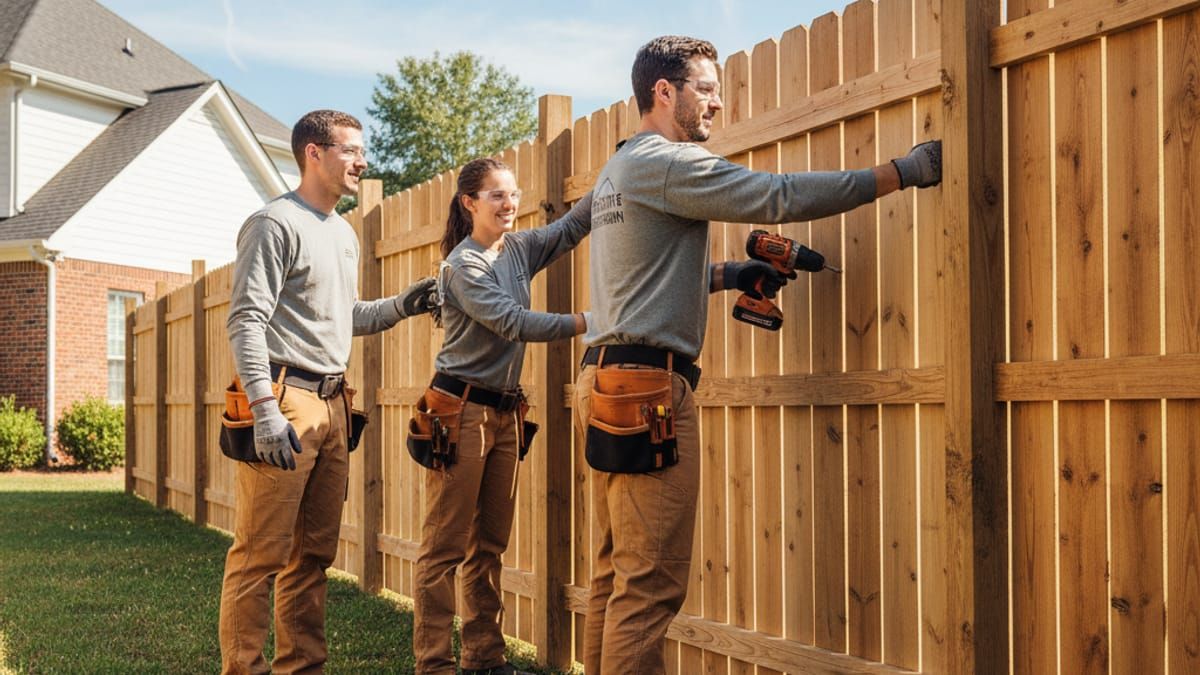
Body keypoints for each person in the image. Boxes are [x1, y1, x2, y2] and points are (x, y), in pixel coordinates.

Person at [574, 35, 943, 674]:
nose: (719, 103)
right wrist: (901, 172)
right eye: (707, 89)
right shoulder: (667, 161)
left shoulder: (620, 167)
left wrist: (729, 275)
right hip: (648, 394)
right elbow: (779, 196)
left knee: (615, 572)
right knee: (650, 583)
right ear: (665, 91)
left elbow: (642, 279)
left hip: (608, 379)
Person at [219, 109, 437, 674]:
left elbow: (343, 315)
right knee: (259, 555)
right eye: (350, 150)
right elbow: (245, 321)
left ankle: (301, 669)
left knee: (312, 557)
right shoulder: (273, 223)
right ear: (313, 153)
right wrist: (264, 408)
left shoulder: (342, 231)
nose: (362, 161)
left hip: (336, 403)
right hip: (284, 398)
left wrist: (399, 306)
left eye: (362, 151)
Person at [411, 157, 591, 675]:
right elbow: (511, 322)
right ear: (469, 203)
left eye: (513, 194)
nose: (510, 204)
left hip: (506, 414)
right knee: (444, 548)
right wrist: (590, 321)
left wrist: (615, 177)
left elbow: (572, 227)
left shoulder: (518, 249)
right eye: (496, 195)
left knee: (489, 545)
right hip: (458, 412)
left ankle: (485, 658)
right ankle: (434, 664)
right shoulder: (463, 266)